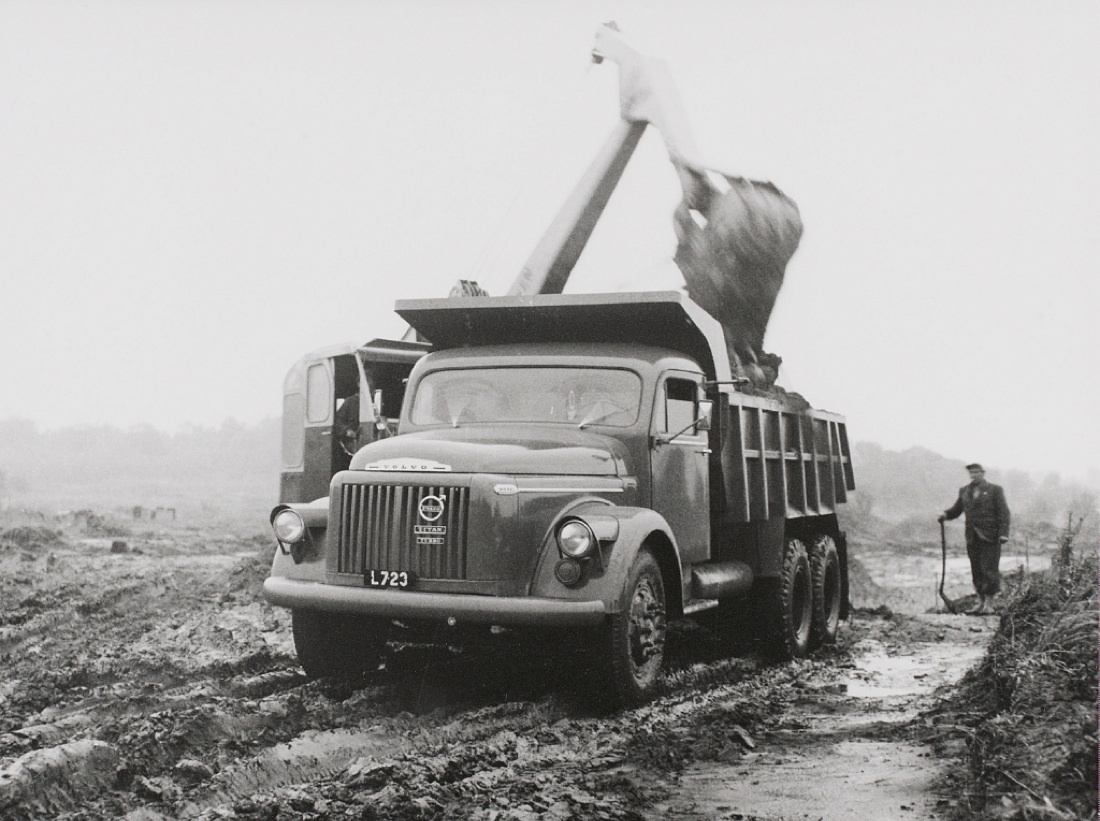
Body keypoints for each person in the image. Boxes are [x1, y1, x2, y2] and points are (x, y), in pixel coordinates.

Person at [938, 463, 1011, 615]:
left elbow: (1003, 513)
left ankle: (990, 605)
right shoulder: (964, 491)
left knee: (989, 569)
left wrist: (1003, 533)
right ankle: (980, 602)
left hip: (990, 536)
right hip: (972, 536)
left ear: (983, 473)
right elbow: (957, 510)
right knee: (976, 569)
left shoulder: (995, 490)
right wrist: (946, 515)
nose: (974, 475)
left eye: (976, 472)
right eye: (971, 473)